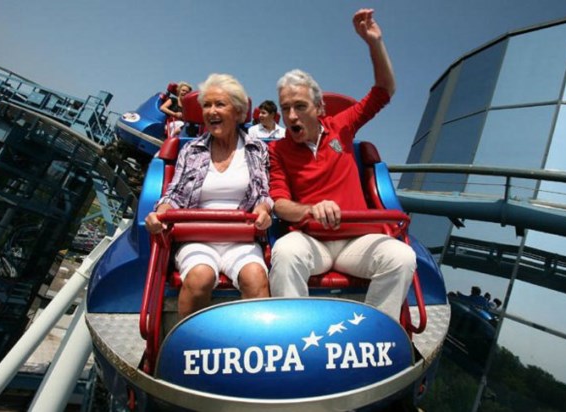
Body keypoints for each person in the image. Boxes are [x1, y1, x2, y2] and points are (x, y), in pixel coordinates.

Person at [268, 8, 416, 321]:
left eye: (300, 106)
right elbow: (280, 204)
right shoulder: (277, 150)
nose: (291, 116)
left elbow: (384, 91)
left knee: (402, 257)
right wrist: (311, 209)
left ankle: (375, 332)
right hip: (312, 241)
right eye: (285, 108)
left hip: (357, 241)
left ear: (319, 109)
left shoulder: (342, 127)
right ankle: (295, 333)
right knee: (285, 252)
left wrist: (374, 42)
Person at [145, 74, 273, 318]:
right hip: (197, 236)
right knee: (199, 277)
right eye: (207, 105)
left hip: (240, 237)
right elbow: (175, 194)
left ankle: (253, 339)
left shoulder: (257, 149)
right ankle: (189, 339)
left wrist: (264, 210)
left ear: (237, 112)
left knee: (256, 278)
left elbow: (262, 194)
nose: (211, 111)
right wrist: (160, 214)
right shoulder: (191, 150)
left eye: (220, 104)